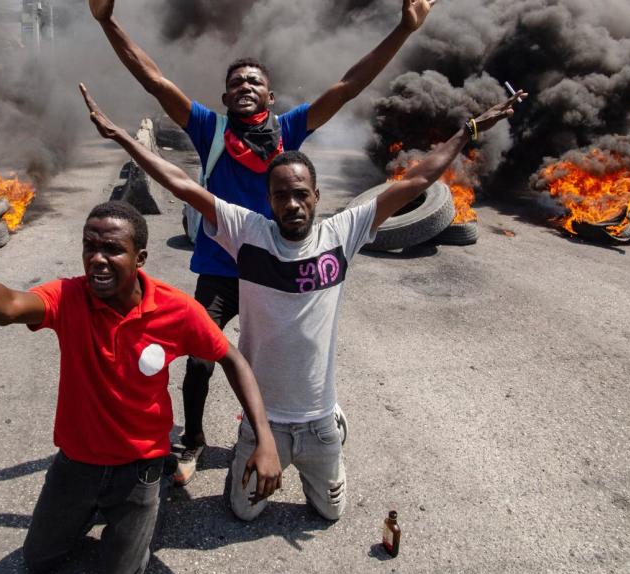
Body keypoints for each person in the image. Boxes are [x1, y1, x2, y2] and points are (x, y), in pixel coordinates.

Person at [79, 82, 524, 522]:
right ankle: (252, 446)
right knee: (243, 512)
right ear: (268, 201)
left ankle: (335, 425)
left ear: (316, 197)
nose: (291, 204)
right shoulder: (247, 232)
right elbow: (179, 182)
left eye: (300, 194)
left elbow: (420, 178)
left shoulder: (343, 233)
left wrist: (468, 130)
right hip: (262, 421)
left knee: (331, 513)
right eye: (280, 196)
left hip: (318, 421)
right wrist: (120, 136)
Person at [85, 0, 439, 486]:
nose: (245, 85)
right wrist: (106, 23)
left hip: (277, 270)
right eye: (236, 82)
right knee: (200, 360)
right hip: (223, 269)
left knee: (290, 360)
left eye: (255, 80)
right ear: (226, 98)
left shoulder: (290, 129)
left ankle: (307, 427)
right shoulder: (209, 128)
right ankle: (194, 442)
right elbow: (155, 81)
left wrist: (403, 30)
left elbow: (347, 87)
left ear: (270, 97)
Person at [0, 201, 281, 574]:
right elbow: (10, 305)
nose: (97, 258)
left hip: (140, 466)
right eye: (89, 246)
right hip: (77, 462)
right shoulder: (68, 296)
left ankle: (147, 506)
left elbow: (232, 358)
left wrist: (264, 439)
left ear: (140, 258)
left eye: (112, 249)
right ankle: (91, 509)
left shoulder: (177, 310)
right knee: (38, 561)